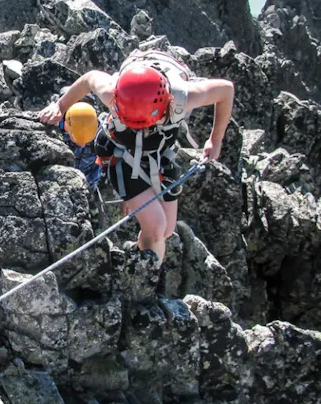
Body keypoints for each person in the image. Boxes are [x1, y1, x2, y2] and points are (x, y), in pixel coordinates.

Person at [38, 50, 234, 264]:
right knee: (157, 227)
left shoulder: (182, 97)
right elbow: (89, 78)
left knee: (167, 229)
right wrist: (60, 106)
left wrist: (216, 139)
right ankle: (146, 280)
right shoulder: (112, 92)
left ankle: (139, 255)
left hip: (159, 153)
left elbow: (226, 90)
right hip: (120, 153)